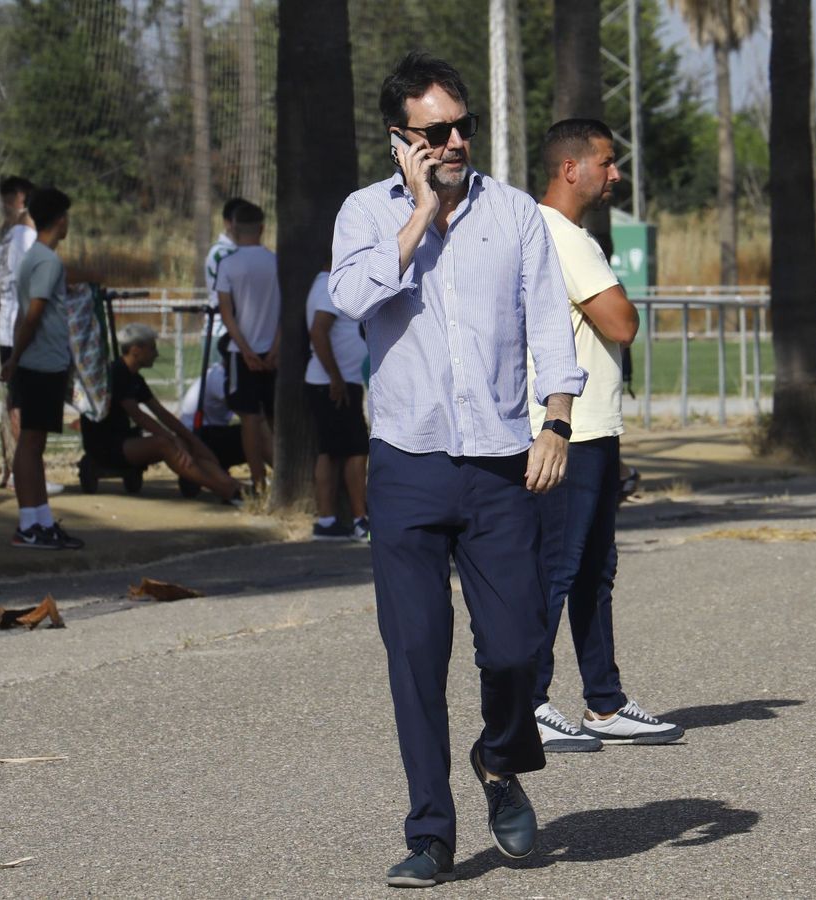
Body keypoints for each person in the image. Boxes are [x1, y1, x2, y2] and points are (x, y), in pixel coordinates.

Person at [329, 51, 585, 887]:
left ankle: (500, 760)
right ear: (401, 138)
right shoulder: (365, 214)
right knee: (416, 656)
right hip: (406, 464)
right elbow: (353, 299)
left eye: (463, 125)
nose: (456, 141)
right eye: (436, 131)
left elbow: (551, 325)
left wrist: (556, 421)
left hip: (502, 463)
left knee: (515, 648)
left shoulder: (513, 214)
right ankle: (430, 833)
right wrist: (418, 216)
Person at [528, 119, 682, 753]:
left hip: (592, 428)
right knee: (556, 569)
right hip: (570, 432)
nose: (615, 174)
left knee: (593, 568)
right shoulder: (564, 236)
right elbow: (622, 322)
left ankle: (604, 703)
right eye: (607, 162)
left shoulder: (549, 233)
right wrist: (622, 297)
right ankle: (526, 703)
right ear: (571, 169)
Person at [0, 187, 83, 551]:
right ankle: (29, 524)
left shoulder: (36, 257)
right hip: (40, 364)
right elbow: (32, 314)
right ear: (60, 219)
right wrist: (16, 359)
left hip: (39, 362)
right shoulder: (47, 261)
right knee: (30, 445)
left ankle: (40, 521)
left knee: (33, 445)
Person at [94, 323, 245, 504]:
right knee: (164, 444)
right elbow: (138, 416)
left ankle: (232, 485)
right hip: (107, 444)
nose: (156, 354)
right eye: (152, 348)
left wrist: (193, 441)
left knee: (186, 443)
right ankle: (224, 490)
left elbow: (161, 412)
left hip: (127, 440)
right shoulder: (117, 373)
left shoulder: (135, 377)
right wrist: (173, 440)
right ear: (135, 350)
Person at [212, 201, 279, 492]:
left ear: (233, 227)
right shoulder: (277, 262)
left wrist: (246, 350)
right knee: (275, 418)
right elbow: (288, 310)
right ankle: (284, 482)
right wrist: (276, 349)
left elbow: (227, 313)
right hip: (275, 353)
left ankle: (258, 482)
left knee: (250, 419)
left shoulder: (227, 264)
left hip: (242, 354)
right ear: (262, 228)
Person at [304, 269, 369, 542]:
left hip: (343, 382)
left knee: (336, 451)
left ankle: (331, 521)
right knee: (354, 450)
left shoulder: (339, 280)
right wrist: (335, 377)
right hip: (333, 384)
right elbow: (318, 331)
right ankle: (356, 520)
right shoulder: (330, 283)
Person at [0, 175, 38, 490]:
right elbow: (31, 282)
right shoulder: (22, 234)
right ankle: (26, 471)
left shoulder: (6, 235)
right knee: (22, 401)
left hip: (5, 327)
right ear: (22, 198)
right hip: (16, 328)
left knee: (14, 399)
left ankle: (15, 468)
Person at [176, 336, 243, 472]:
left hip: (206, 432)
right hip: (201, 435)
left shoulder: (219, 373)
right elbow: (246, 412)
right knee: (255, 432)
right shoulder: (218, 378)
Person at [204, 197, 248, 295]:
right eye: (242, 220)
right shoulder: (221, 252)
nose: (246, 225)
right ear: (227, 223)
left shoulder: (240, 249)